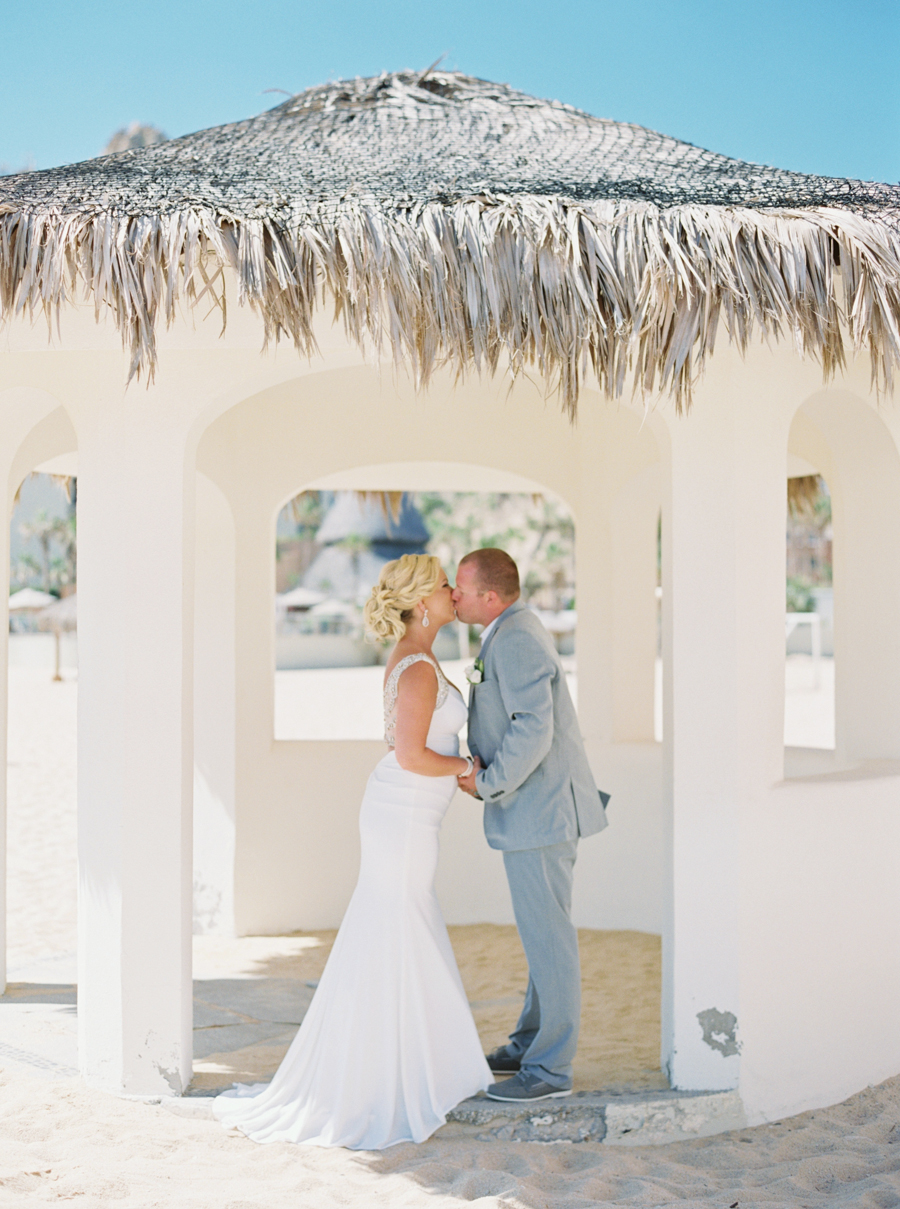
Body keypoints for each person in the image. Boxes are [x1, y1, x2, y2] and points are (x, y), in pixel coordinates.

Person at [214, 554, 490, 1148]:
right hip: (404, 815)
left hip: (412, 812)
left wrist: (461, 773)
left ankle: (408, 1066)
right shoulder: (417, 668)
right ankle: (388, 1077)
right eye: (444, 586)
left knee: (396, 928)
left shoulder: (422, 659)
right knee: (397, 927)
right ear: (423, 602)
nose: (452, 592)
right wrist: (468, 766)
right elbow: (412, 755)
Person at [453, 548, 609, 1103]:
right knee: (542, 936)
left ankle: (548, 1072)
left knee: (551, 941)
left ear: (488, 597)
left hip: (538, 812)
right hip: (537, 812)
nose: (453, 595)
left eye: (460, 588)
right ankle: (527, 1044)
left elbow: (533, 729)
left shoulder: (515, 637)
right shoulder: (508, 629)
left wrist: (488, 782)